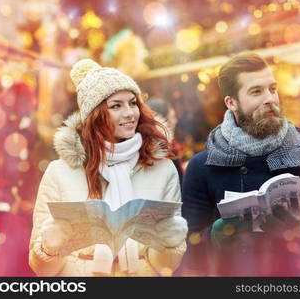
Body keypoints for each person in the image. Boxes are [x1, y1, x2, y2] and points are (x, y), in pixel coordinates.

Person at [180, 52, 300, 276]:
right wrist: (214, 236)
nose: (269, 98)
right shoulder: (202, 166)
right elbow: (186, 253)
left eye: (272, 88)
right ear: (232, 103)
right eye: (256, 91)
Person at [29, 59, 188, 276]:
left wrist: (170, 244)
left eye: (133, 103)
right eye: (116, 106)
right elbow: (41, 269)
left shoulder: (162, 169)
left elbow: (165, 266)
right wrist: (49, 247)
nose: (130, 113)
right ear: (94, 115)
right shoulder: (60, 172)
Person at [146, 97, 184, 187]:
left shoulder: (144, 150)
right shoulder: (167, 152)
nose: (176, 121)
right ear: (163, 121)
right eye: (173, 117)